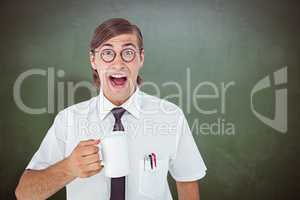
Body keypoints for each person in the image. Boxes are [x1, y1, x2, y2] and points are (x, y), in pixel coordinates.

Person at [15, 18, 207, 200]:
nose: (118, 63)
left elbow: (187, 182)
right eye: (107, 53)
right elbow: (24, 193)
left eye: (128, 53)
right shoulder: (68, 120)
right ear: (93, 60)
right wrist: (68, 168)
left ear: (141, 58)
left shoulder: (171, 116)